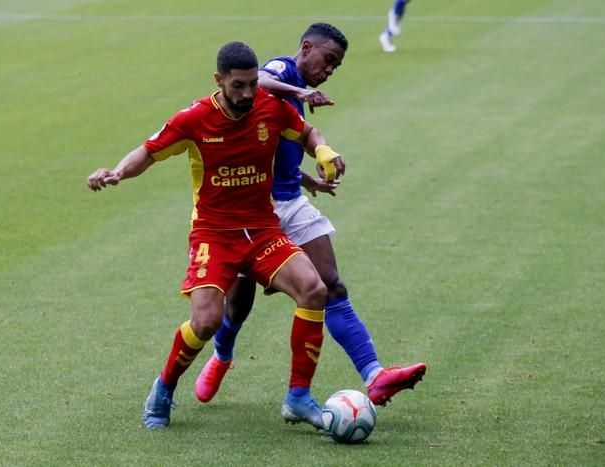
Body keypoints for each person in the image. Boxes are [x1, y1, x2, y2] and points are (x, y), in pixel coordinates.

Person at [86, 41, 346, 430]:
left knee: (314, 289)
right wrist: (118, 172)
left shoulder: (270, 108)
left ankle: (298, 397)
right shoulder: (194, 119)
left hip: (262, 229)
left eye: (253, 84)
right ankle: (164, 387)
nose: (246, 94)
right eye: (238, 85)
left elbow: (307, 131)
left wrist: (323, 150)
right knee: (207, 321)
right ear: (219, 80)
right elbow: (148, 151)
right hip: (214, 234)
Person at [194, 23, 426, 411]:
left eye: (336, 66)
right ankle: (221, 357)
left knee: (331, 284)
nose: (330, 70)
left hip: (289, 202)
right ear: (306, 48)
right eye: (328, 60)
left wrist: (308, 177)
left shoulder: (293, 96)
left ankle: (374, 376)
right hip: (248, 211)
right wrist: (300, 90)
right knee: (237, 305)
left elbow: (278, 145)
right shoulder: (282, 72)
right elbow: (263, 80)